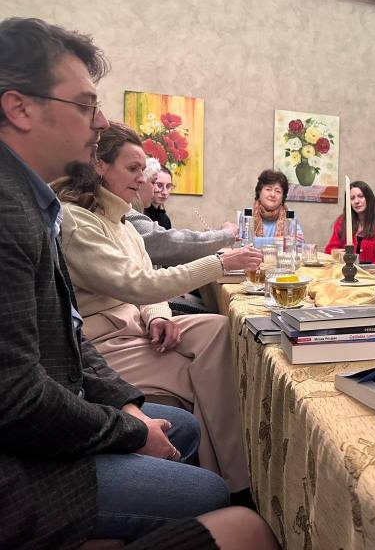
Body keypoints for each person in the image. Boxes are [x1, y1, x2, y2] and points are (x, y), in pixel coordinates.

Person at [0, 16, 236, 548]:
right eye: (85, 105)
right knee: (212, 494)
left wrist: (124, 404)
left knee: (186, 423)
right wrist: (127, 427)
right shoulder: (13, 212)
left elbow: (70, 335)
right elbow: (16, 397)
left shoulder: (33, 202)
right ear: (20, 108)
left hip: (66, 392)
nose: (100, 119)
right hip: (21, 470)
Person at [53, 121, 263, 495]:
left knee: (218, 327)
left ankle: (226, 472)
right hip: (105, 343)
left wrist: (159, 316)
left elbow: (146, 282)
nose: (143, 178)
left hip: (133, 327)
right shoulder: (77, 220)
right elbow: (138, 283)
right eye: (133, 168)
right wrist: (219, 262)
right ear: (100, 166)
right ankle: (232, 483)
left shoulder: (123, 223)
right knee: (205, 375)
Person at [129, 156, 240, 267]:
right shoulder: (129, 217)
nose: (158, 190)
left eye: (168, 186)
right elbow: (172, 244)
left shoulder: (140, 215)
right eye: (155, 183)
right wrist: (225, 236)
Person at [324, 180, 375, 266]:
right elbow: (330, 250)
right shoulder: (342, 221)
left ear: (369, 198)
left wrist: (368, 268)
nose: (356, 201)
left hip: (372, 272)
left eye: (361, 196)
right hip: (345, 270)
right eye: (352, 198)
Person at [253, 168, 304, 242]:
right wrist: (279, 240)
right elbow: (245, 243)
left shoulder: (289, 215)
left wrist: (261, 241)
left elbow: (299, 242)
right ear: (259, 192)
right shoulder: (247, 214)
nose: (272, 195)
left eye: (278, 191)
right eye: (268, 189)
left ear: (283, 197)